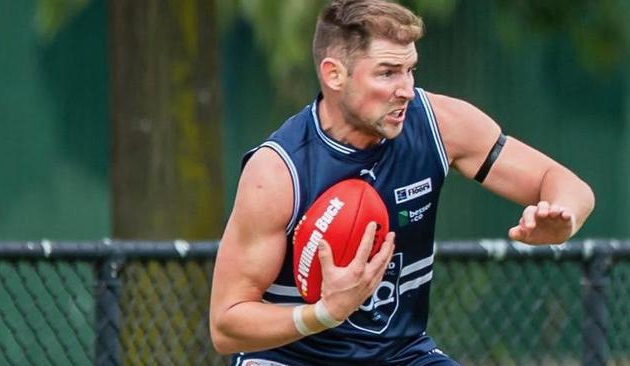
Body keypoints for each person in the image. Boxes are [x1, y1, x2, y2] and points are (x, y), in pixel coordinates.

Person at [209, 0, 595, 365]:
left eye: (410, 70)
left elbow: (564, 183)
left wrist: (564, 219)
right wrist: (323, 314)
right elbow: (226, 324)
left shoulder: (440, 124)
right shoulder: (278, 171)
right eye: (388, 72)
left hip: (400, 354)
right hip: (291, 357)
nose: (407, 89)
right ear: (334, 75)